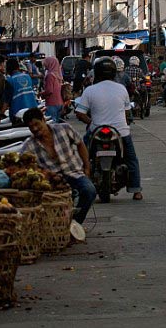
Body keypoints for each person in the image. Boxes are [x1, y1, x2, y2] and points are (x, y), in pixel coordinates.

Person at [74, 56, 142, 199]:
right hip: (121, 132)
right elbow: (127, 111)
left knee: (81, 157)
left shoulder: (90, 90)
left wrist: (91, 122)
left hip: (96, 130)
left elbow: (80, 113)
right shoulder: (122, 89)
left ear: (96, 72)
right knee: (131, 159)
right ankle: (136, 190)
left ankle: (78, 187)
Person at [20, 107, 96, 223]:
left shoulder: (64, 129)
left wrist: (87, 167)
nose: (35, 129)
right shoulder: (29, 145)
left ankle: (76, 223)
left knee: (89, 190)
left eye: (37, 124)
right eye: (31, 127)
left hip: (74, 172)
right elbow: (25, 167)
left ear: (43, 120)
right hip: (52, 180)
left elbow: (80, 144)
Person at [4, 57, 38, 124]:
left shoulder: (9, 80)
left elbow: (6, 101)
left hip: (18, 116)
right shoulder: (27, 77)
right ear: (18, 67)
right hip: (33, 111)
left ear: (8, 68)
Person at [41, 56, 65, 122]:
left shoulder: (50, 75)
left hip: (52, 103)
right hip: (59, 102)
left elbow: (49, 91)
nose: (44, 64)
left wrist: (41, 94)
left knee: (51, 124)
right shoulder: (58, 74)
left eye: (45, 63)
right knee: (56, 124)